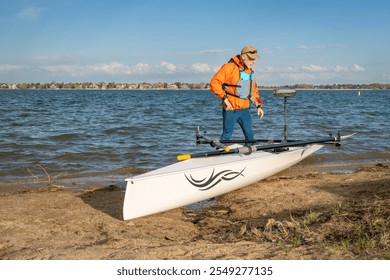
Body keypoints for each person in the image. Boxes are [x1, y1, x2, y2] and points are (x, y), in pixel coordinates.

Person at [210, 46, 264, 143]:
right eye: (251, 58)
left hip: (244, 109)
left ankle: (249, 153)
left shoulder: (250, 71)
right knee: (227, 135)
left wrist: (259, 106)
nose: (254, 61)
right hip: (231, 108)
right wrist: (224, 98)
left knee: (250, 135)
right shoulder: (229, 67)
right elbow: (214, 83)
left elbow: (254, 91)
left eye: (254, 59)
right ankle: (219, 154)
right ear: (243, 56)